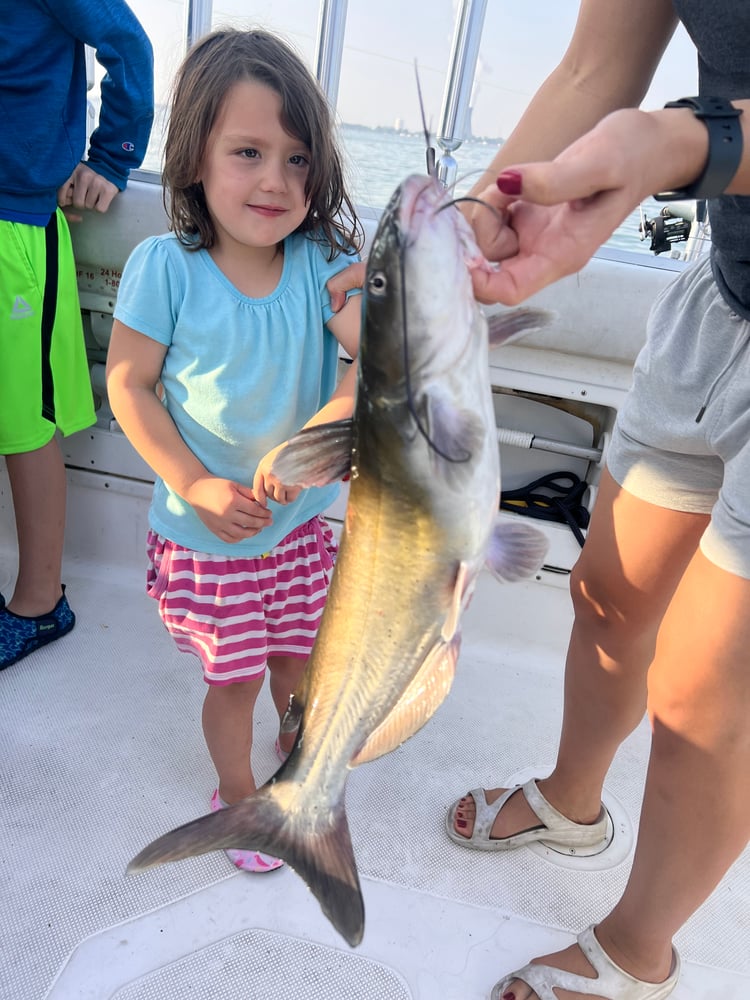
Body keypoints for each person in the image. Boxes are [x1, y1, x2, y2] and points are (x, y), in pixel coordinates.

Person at [328, 2, 750, 997]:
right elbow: (593, 64)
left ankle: (641, 950)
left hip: (697, 165)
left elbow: (661, 131)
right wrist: (471, 220)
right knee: (605, 591)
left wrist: (685, 141)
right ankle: (573, 799)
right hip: (721, 293)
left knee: (704, 689)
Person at [106, 29, 362, 874]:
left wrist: (311, 446)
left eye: (296, 160)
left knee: (301, 667)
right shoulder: (164, 268)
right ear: (193, 159)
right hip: (206, 537)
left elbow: (367, 377)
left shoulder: (328, 265)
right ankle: (242, 798)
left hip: (300, 532)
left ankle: (298, 784)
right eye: (248, 151)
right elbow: (130, 385)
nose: (275, 181)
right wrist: (196, 484)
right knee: (238, 680)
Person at [0, 0, 153, 670]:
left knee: (22, 422)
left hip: (16, 229)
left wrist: (113, 158)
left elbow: (127, 44)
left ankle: (38, 605)